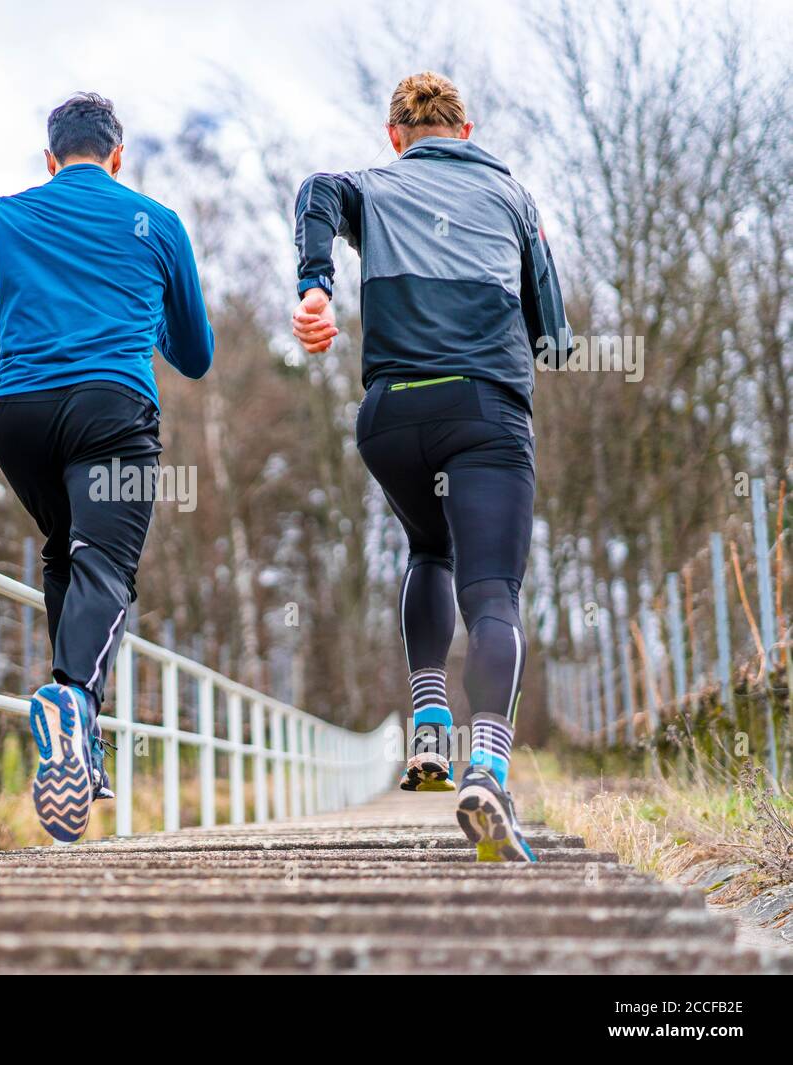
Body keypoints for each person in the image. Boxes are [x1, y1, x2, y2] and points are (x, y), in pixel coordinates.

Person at [0, 92, 214, 843]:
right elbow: (196, 355)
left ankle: (83, 737)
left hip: (20, 419)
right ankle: (71, 697)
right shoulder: (157, 223)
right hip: (113, 409)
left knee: (65, 552)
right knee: (106, 565)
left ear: (51, 159)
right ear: (117, 156)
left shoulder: (11, 212)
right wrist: (147, 311)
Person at [290, 72, 570, 861]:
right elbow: (553, 333)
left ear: (395, 137)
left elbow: (315, 188)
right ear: (467, 131)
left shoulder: (371, 187)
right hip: (483, 414)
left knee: (428, 548)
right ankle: (486, 766)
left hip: (390, 418)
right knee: (492, 593)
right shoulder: (513, 198)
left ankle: (429, 724)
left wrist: (315, 287)